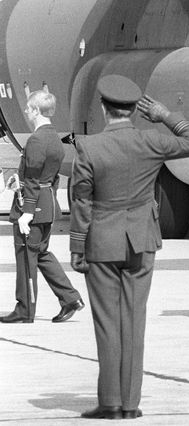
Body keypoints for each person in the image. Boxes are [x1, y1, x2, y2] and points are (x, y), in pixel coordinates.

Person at [70, 75, 189, 419]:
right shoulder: (152, 141)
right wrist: (165, 115)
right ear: (134, 111)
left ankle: (110, 402)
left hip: (102, 240)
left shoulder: (89, 147)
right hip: (142, 239)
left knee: (107, 323)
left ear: (104, 109)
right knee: (134, 321)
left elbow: (82, 201)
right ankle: (130, 404)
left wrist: (77, 245)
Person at [1, 90, 84, 324]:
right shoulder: (55, 140)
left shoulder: (36, 140)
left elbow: (35, 178)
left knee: (26, 255)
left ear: (36, 110)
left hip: (33, 205)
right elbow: (50, 177)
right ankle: (70, 298)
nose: (26, 112)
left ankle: (25, 308)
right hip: (45, 202)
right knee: (40, 253)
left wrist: (27, 212)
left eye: (28, 108)